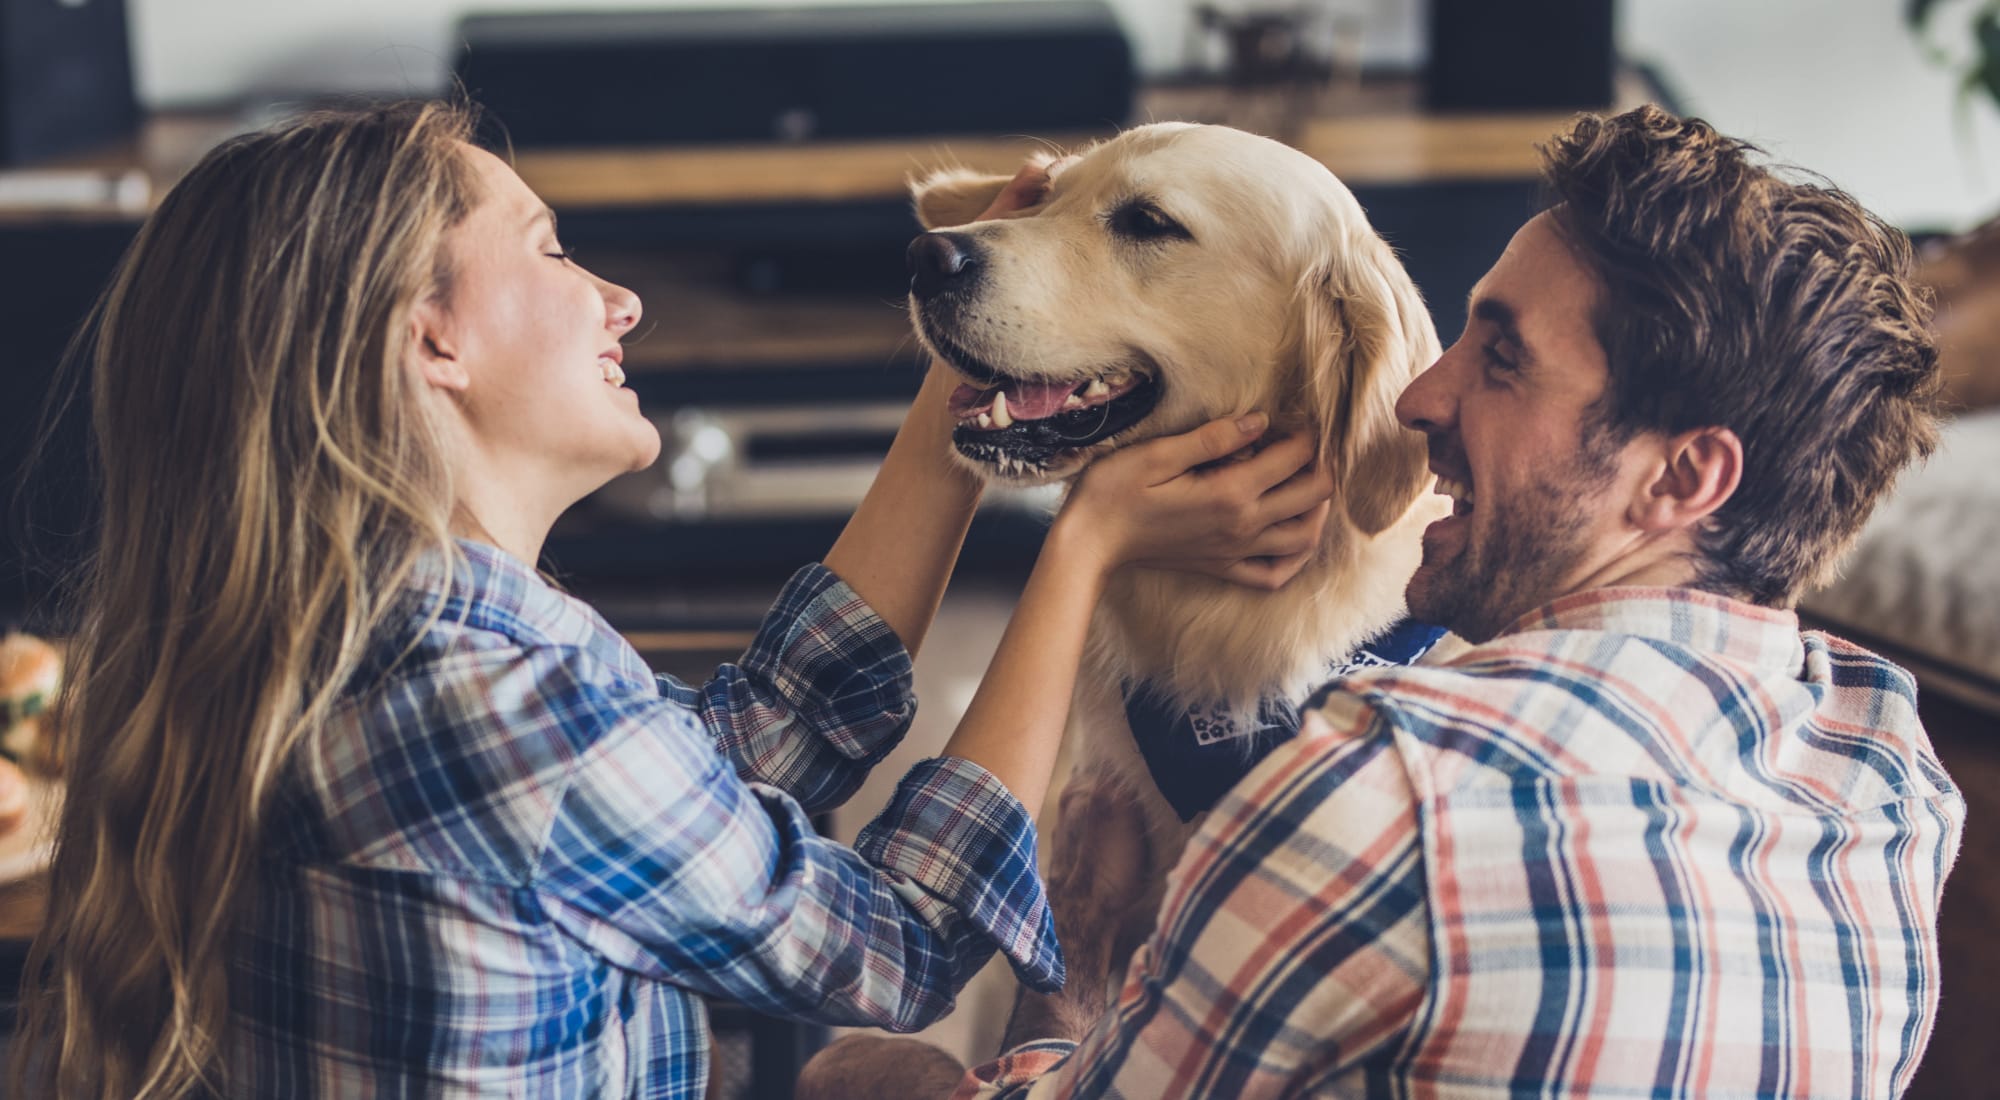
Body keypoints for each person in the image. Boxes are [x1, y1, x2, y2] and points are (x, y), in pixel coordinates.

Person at [9, 100, 1337, 1099]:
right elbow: (893, 950)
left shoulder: (359, 634)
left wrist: (971, 388)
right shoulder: (495, 710)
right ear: (431, 339)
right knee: (928, 1067)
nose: (622, 300)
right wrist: (1084, 543)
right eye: (551, 250)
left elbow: (740, 750)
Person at [801, 104, 1966, 1099]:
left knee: (849, 1067)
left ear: (1681, 478)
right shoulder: (1891, 773)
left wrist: (1049, 1001)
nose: (1415, 395)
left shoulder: (1378, 789)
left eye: (1500, 360)